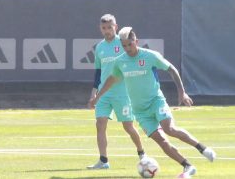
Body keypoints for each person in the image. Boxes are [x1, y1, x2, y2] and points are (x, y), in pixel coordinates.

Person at [89, 26, 216, 178]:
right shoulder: (120, 61)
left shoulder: (150, 56)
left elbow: (171, 69)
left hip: (156, 102)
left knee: (169, 129)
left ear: (136, 41)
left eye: (130, 44)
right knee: (161, 141)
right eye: (124, 46)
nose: (127, 48)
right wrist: (97, 96)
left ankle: (202, 148)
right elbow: (112, 80)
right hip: (140, 111)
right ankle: (187, 166)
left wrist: (181, 92)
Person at [86, 15, 145, 170]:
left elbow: (135, 60)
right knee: (100, 124)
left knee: (128, 126)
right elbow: (98, 73)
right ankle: (103, 161)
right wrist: (94, 93)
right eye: (104, 28)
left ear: (115, 27)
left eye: (109, 28)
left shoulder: (124, 42)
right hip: (104, 94)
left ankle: (142, 154)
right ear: (100, 28)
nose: (107, 31)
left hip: (123, 93)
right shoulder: (99, 47)